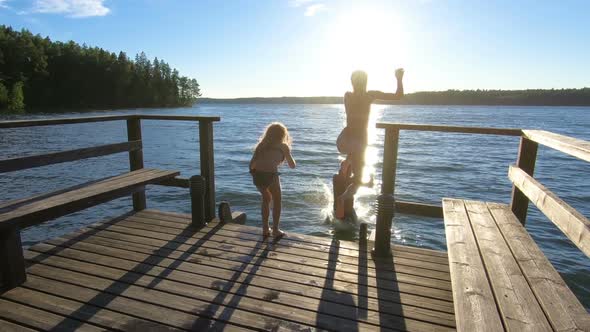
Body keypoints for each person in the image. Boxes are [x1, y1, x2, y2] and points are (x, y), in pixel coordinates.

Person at [335, 68, 405, 219]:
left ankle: (348, 162)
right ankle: (343, 197)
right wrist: (399, 78)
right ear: (365, 82)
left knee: (356, 167)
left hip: (345, 139)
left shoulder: (347, 95)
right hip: (359, 139)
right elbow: (399, 96)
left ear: (352, 82)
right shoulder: (369, 95)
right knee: (359, 179)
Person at [250, 122, 296, 237]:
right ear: (282, 135)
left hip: (257, 175)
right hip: (271, 175)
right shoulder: (283, 146)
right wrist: (288, 155)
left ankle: (265, 229)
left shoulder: (261, 145)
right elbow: (292, 165)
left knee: (266, 200)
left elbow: (252, 164)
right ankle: (275, 230)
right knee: (277, 201)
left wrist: (254, 174)